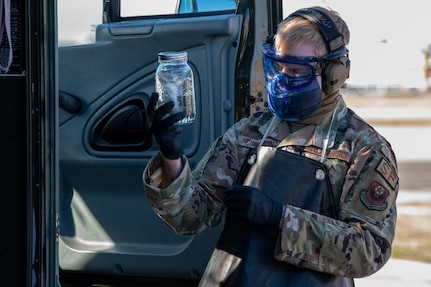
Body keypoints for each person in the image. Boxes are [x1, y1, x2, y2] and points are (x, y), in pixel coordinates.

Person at [143, 6, 398, 287]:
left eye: (296, 70)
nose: (283, 80)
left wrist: (279, 217)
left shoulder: (363, 148)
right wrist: (172, 158)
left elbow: (368, 251)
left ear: (333, 74)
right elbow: (191, 219)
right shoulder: (250, 131)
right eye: (279, 66)